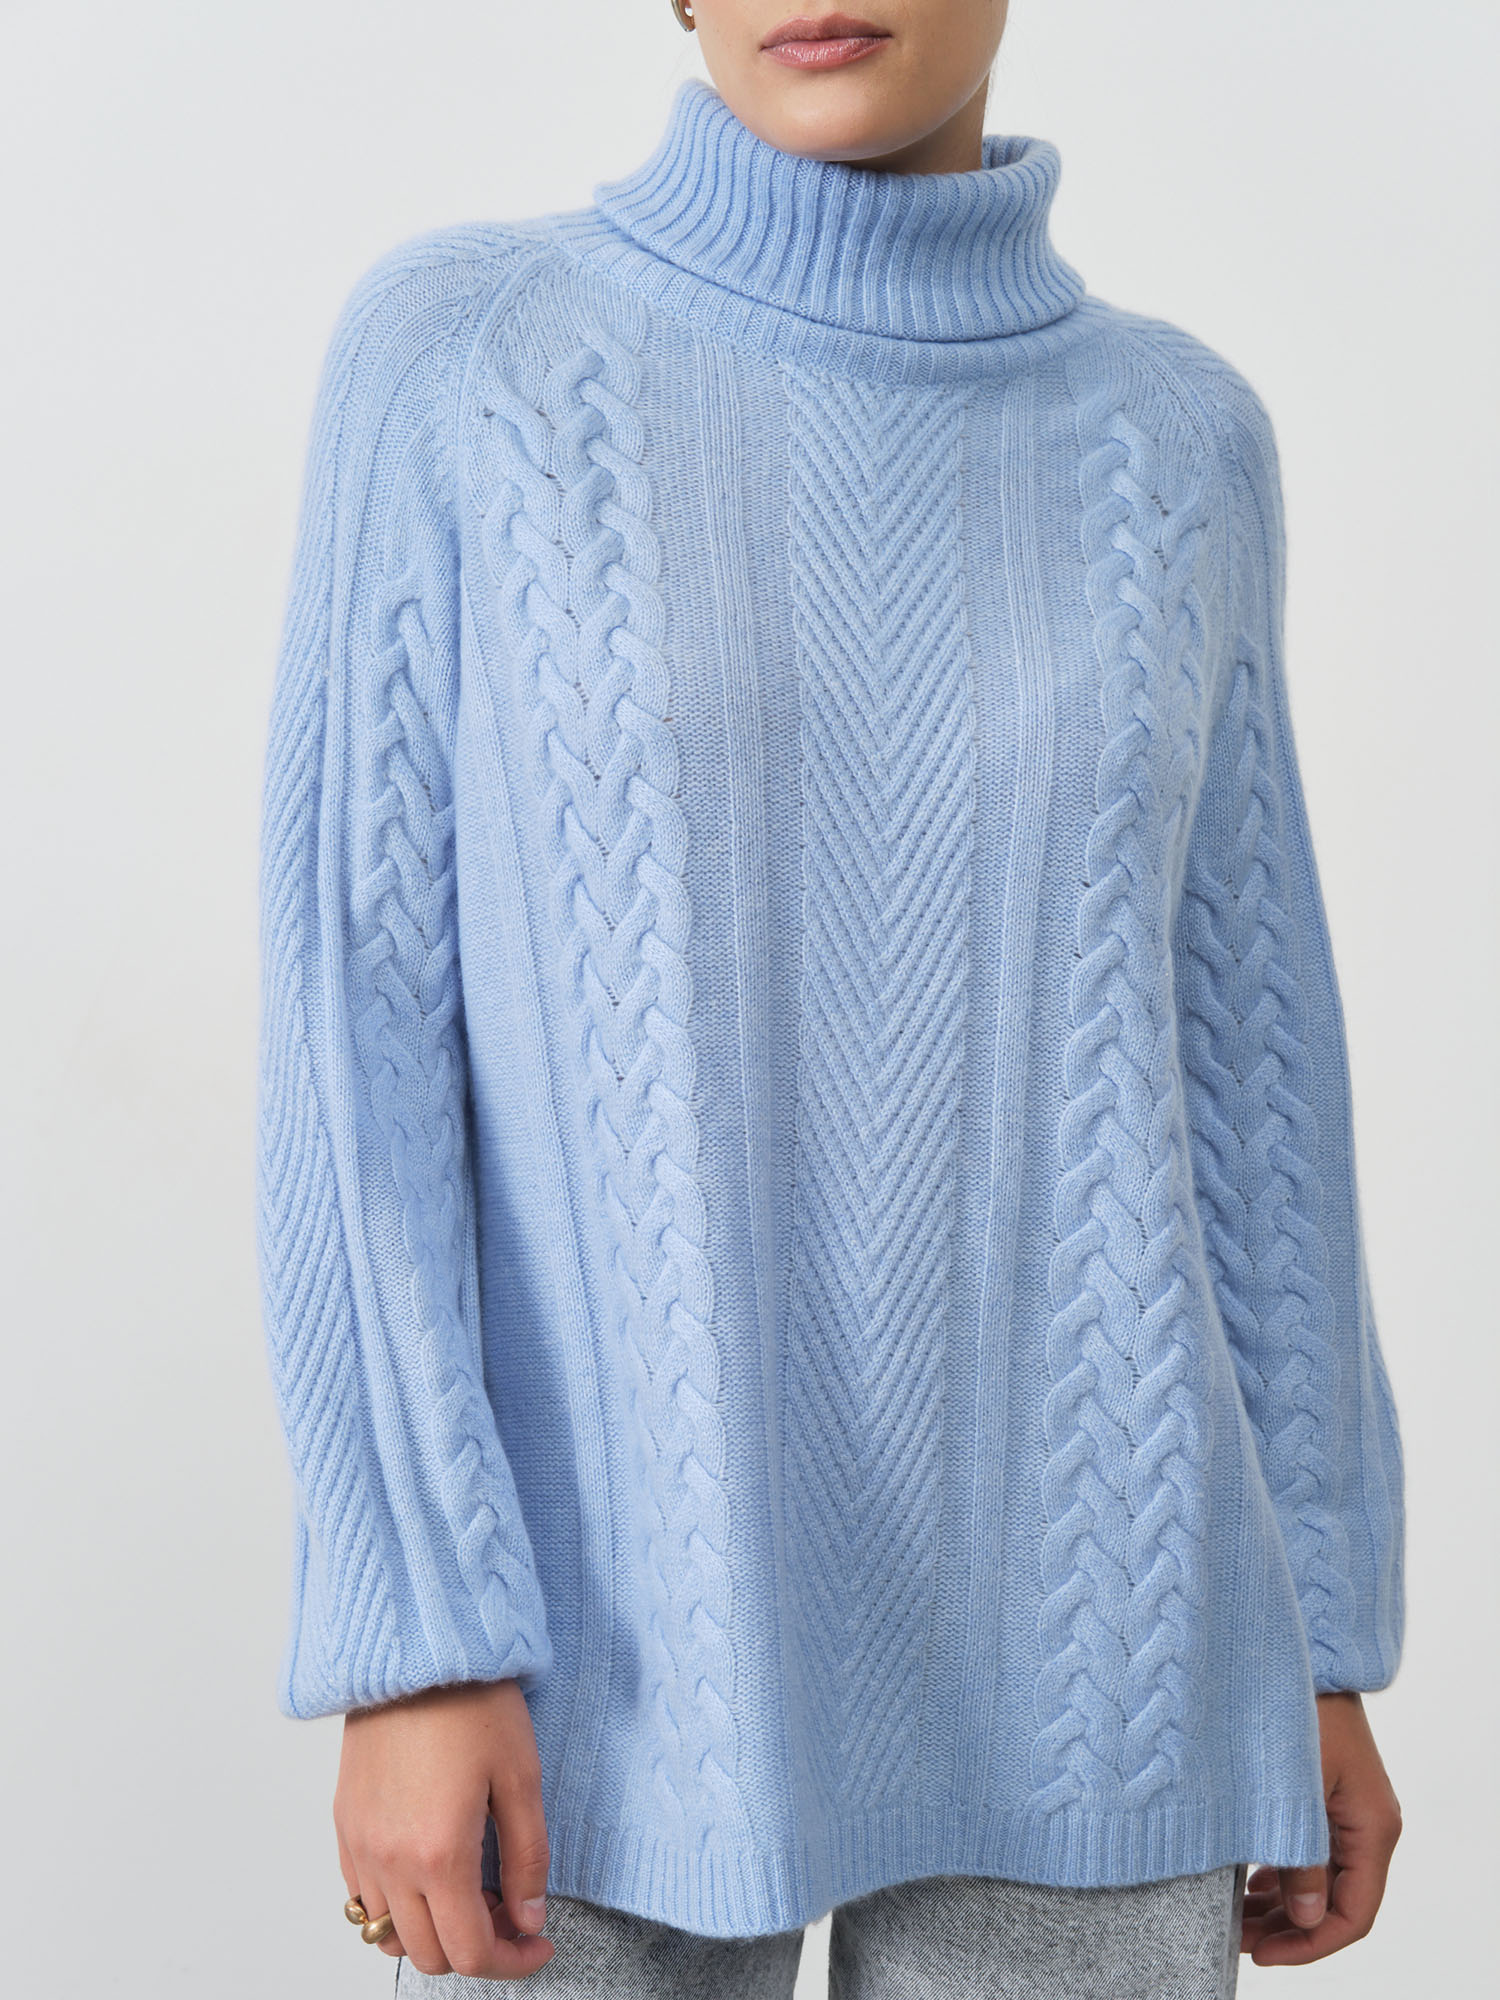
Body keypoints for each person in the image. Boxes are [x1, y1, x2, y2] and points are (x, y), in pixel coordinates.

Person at [254, 2, 1406, 1992]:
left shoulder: (1179, 437)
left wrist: (1316, 1636)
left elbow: (1256, 1069)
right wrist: (415, 1631)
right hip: (605, 1640)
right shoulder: (466, 357)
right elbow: (358, 1028)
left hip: (1111, 1638)